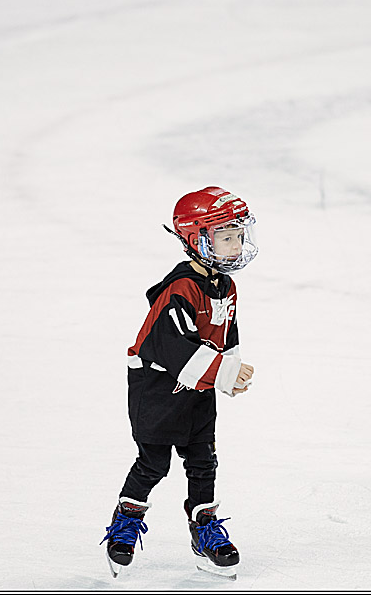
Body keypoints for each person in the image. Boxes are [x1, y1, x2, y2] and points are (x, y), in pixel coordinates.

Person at [100, 186, 258, 581]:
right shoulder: (179, 289)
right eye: (226, 237)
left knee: (204, 462)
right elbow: (172, 348)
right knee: (153, 463)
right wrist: (222, 371)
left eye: (239, 236)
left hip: (198, 389)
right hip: (156, 390)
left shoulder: (225, 286)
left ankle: (204, 531)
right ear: (196, 239)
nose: (236, 246)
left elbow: (225, 334)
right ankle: (125, 521)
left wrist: (230, 372)